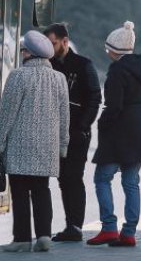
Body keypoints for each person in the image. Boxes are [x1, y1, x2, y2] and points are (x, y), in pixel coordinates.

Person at [0, 30, 70, 253]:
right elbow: (65, 117)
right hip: (47, 147)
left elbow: (7, 113)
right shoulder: (59, 79)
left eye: (23, 49)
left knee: (19, 192)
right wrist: (62, 145)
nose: (21, 52)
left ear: (29, 53)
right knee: (42, 190)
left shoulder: (18, 76)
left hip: (19, 146)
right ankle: (44, 235)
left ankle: (22, 238)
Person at [88, 22, 141, 248]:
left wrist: (102, 124)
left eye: (108, 48)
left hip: (119, 132)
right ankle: (129, 232)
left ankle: (109, 227)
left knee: (102, 178)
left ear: (114, 50)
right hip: (139, 131)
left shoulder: (117, 71)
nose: (106, 52)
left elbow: (113, 106)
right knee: (131, 182)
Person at [43, 23, 102, 243]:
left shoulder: (83, 65)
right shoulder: (47, 65)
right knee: (62, 180)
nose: (50, 48)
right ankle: (69, 225)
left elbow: (95, 97)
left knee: (73, 178)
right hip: (53, 131)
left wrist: (82, 127)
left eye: (53, 43)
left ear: (65, 41)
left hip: (76, 132)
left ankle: (75, 225)